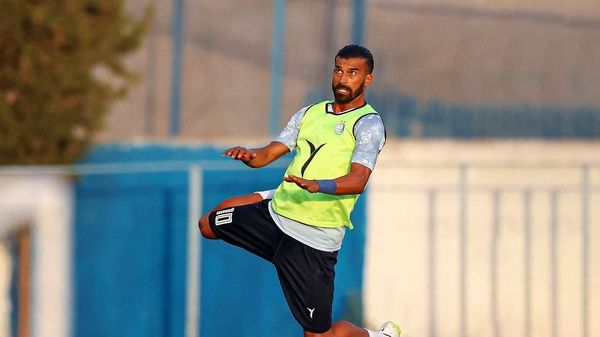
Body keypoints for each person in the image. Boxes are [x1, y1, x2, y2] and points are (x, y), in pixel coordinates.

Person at [198, 44, 400, 337]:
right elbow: (267, 154)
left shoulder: (368, 124)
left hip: (313, 241)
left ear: (367, 80)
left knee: (319, 335)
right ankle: (271, 196)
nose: (343, 79)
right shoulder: (311, 113)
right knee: (207, 224)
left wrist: (319, 186)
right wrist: (249, 155)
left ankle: (379, 336)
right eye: (339, 70)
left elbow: (357, 181)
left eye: (352, 73)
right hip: (275, 219)